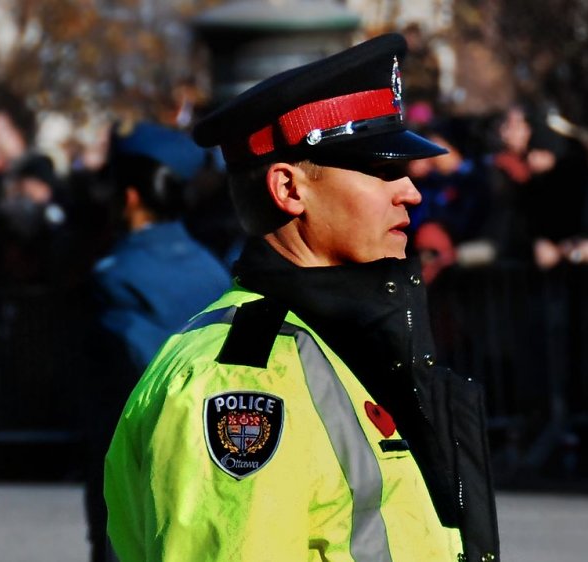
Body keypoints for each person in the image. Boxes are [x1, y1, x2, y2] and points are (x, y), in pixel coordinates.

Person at [104, 34, 500, 562]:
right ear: (289, 189)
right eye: (381, 172)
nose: (410, 191)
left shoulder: (342, 342)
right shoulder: (245, 378)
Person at [84, 121, 230, 562]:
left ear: (129, 197)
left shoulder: (115, 275)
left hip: (136, 463)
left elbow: (131, 378)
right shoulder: (213, 269)